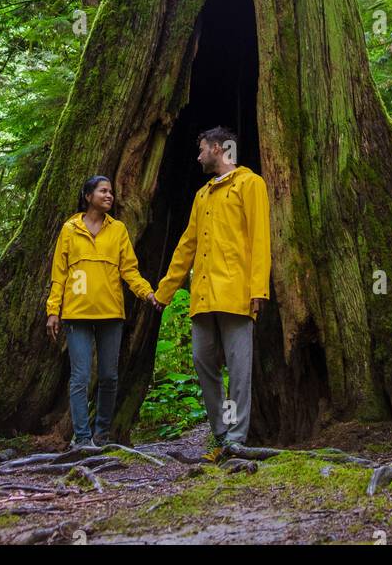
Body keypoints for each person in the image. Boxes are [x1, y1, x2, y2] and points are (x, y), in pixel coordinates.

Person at [154, 126, 271, 460]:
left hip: (236, 293)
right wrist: (164, 292)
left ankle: (235, 437)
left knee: (238, 369)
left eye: (203, 149)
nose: (199, 156)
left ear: (218, 148)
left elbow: (260, 238)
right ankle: (220, 433)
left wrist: (258, 287)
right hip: (203, 297)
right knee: (203, 361)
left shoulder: (250, 184)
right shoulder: (202, 195)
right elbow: (186, 246)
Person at [46, 175, 158, 447]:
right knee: (80, 376)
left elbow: (129, 269)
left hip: (110, 314)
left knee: (108, 375)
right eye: (103, 191)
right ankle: (82, 439)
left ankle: (102, 434)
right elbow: (59, 274)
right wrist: (53, 310)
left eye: (111, 192)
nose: (109, 196)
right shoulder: (70, 229)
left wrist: (146, 292)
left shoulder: (117, 229)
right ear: (88, 196)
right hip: (76, 314)